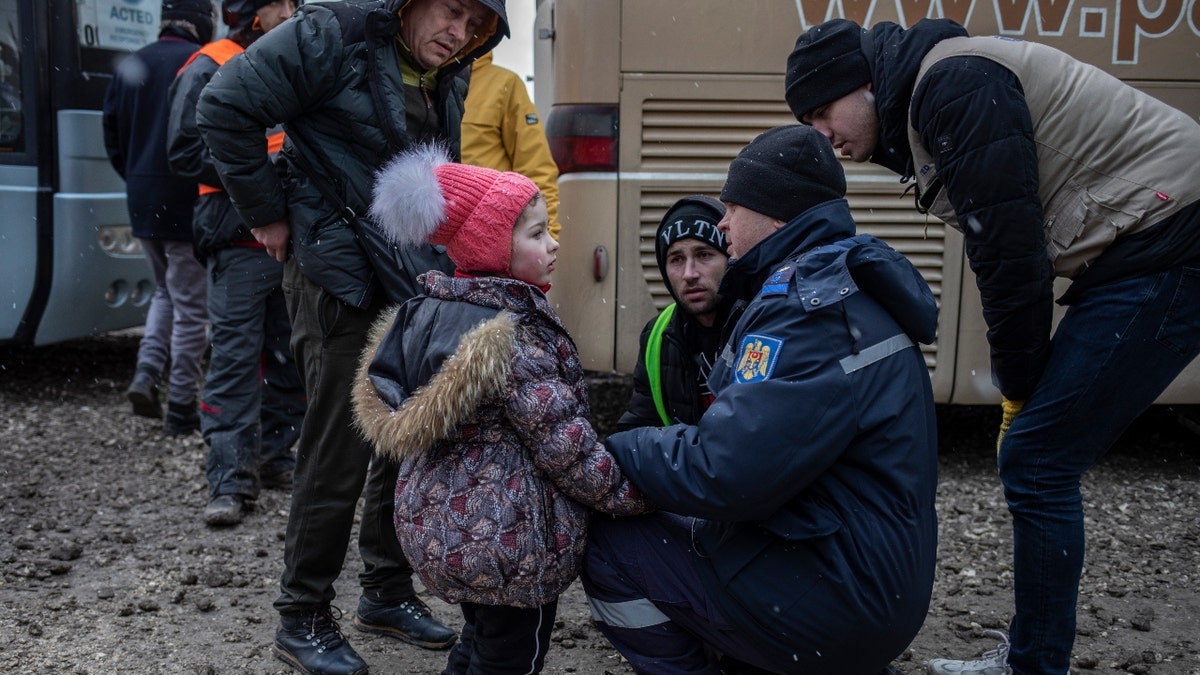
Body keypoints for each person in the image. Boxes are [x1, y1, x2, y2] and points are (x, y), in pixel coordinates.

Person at [784, 18, 1200, 675]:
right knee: (1037, 456)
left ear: (863, 85)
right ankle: (1033, 655)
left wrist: (1017, 391)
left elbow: (1009, 260)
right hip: (1143, 243)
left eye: (821, 111)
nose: (821, 135)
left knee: (1037, 459)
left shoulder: (950, 87)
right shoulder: (936, 89)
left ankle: (1035, 665)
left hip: (1171, 238)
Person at [194, 1, 511, 673]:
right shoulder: (329, 33)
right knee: (339, 443)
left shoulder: (449, 70)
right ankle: (301, 614)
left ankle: (385, 591)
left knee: (405, 431)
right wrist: (267, 215)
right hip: (333, 269)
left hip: (404, 274)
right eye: (452, 11)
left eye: (477, 26)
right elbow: (224, 105)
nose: (459, 33)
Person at [580, 124, 940, 674]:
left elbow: (723, 472)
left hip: (842, 604)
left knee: (609, 542)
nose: (724, 225)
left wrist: (621, 449)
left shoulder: (806, 309)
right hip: (874, 580)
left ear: (775, 213)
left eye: (732, 208)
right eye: (677, 258)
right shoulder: (849, 287)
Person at [351, 144, 652, 675]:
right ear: (492, 246)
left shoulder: (436, 316)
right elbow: (567, 446)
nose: (554, 243)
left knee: (481, 635)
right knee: (512, 655)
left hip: (450, 527)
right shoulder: (513, 339)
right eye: (536, 234)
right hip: (509, 538)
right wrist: (630, 496)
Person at [166, 0, 303, 527]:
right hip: (235, 238)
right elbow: (182, 152)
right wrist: (260, 173)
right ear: (253, 11)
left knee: (290, 356)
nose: (292, 11)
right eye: (281, 3)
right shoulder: (209, 63)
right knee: (236, 361)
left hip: (291, 244)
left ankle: (276, 458)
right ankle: (229, 481)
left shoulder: (293, 64)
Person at [102, 0, 214, 436]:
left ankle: (147, 372)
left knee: (165, 293)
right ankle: (182, 407)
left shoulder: (134, 63)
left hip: (142, 198)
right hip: (187, 200)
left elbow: (112, 133)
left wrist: (135, 176)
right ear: (201, 22)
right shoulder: (198, 63)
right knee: (191, 306)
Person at [617, 195, 731, 430]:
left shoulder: (760, 322)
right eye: (676, 259)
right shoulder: (658, 335)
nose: (689, 274)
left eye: (704, 255)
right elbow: (639, 429)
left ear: (731, 259)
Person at [461, 49, 562, 238]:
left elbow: (537, 172)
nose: (457, 32)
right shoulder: (425, 86)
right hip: (429, 246)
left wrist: (544, 241)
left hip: (490, 241)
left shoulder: (504, 85)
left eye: (472, 23)